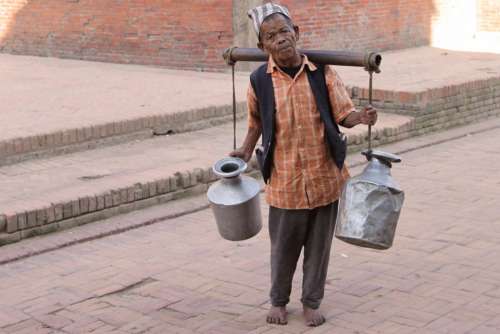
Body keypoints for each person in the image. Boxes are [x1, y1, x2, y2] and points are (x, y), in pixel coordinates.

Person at [229, 3, 377, 327]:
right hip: (285, 183)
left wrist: (360, 118)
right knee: (283, 248)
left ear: (296, 33)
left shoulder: (322, 73)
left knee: (319, 248)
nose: (280, 39)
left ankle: (311, 302)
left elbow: (343, 114)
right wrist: (244, 149)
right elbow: (255, 123)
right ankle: (278, 301)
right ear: (262, 46)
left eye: (284, 31)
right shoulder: (259, 81)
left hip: (325, 177)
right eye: (271, 36)